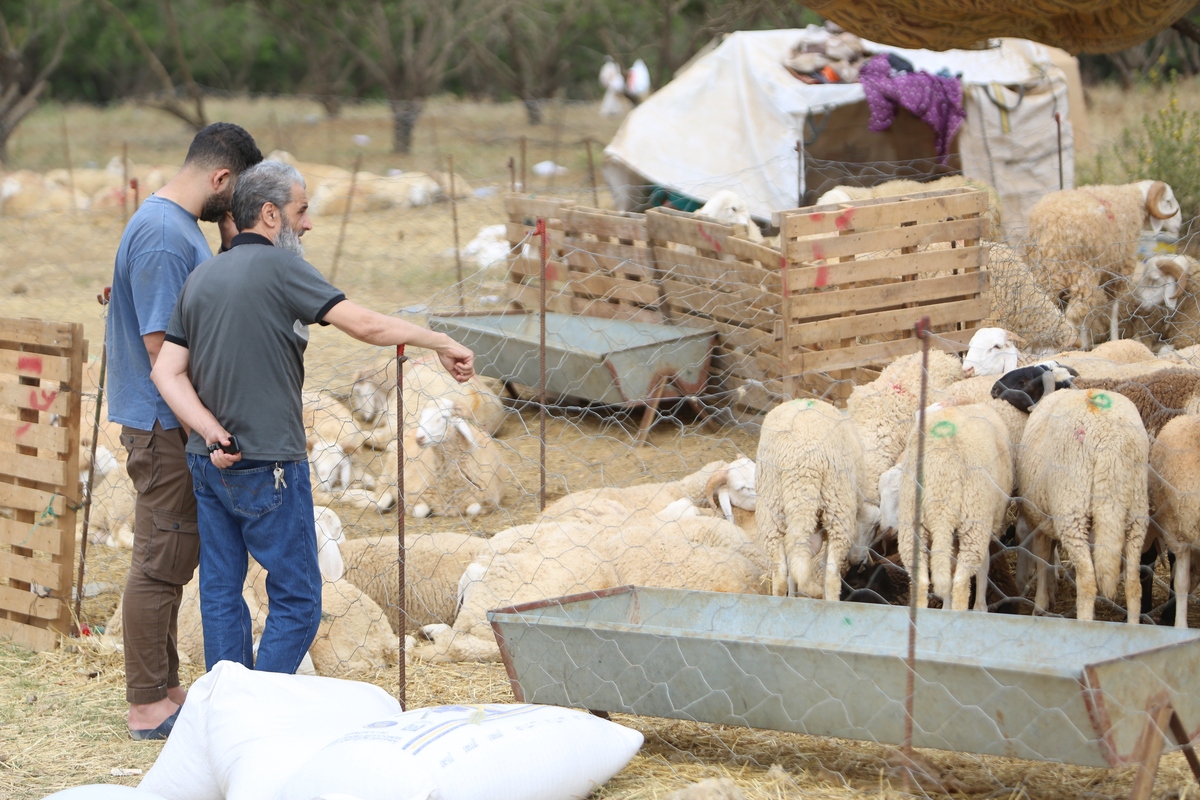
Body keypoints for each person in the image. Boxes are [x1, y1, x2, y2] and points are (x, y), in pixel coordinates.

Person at [150, 160, 474, 675]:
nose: (308, 224)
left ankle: (230, 712)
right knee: (299, 601)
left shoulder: (200, 278)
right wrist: (438, 340)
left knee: (220, 594)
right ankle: (260, 703)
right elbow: (364, 326)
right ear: (271, 214)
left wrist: (211, 431)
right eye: (302, 211)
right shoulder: (283, 269)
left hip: (209, 462)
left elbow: (167, 373)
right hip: (269, 463)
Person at [106, 123, 262, 740]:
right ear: (221, 178)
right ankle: (146, 705)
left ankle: (166, 688)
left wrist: (229, 237)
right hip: (163, 423)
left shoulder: (176, 228)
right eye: (239, 194)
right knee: (157, 562)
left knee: (172, 558)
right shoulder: (168, 238)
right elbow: (161, 349)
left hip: (173, 423)